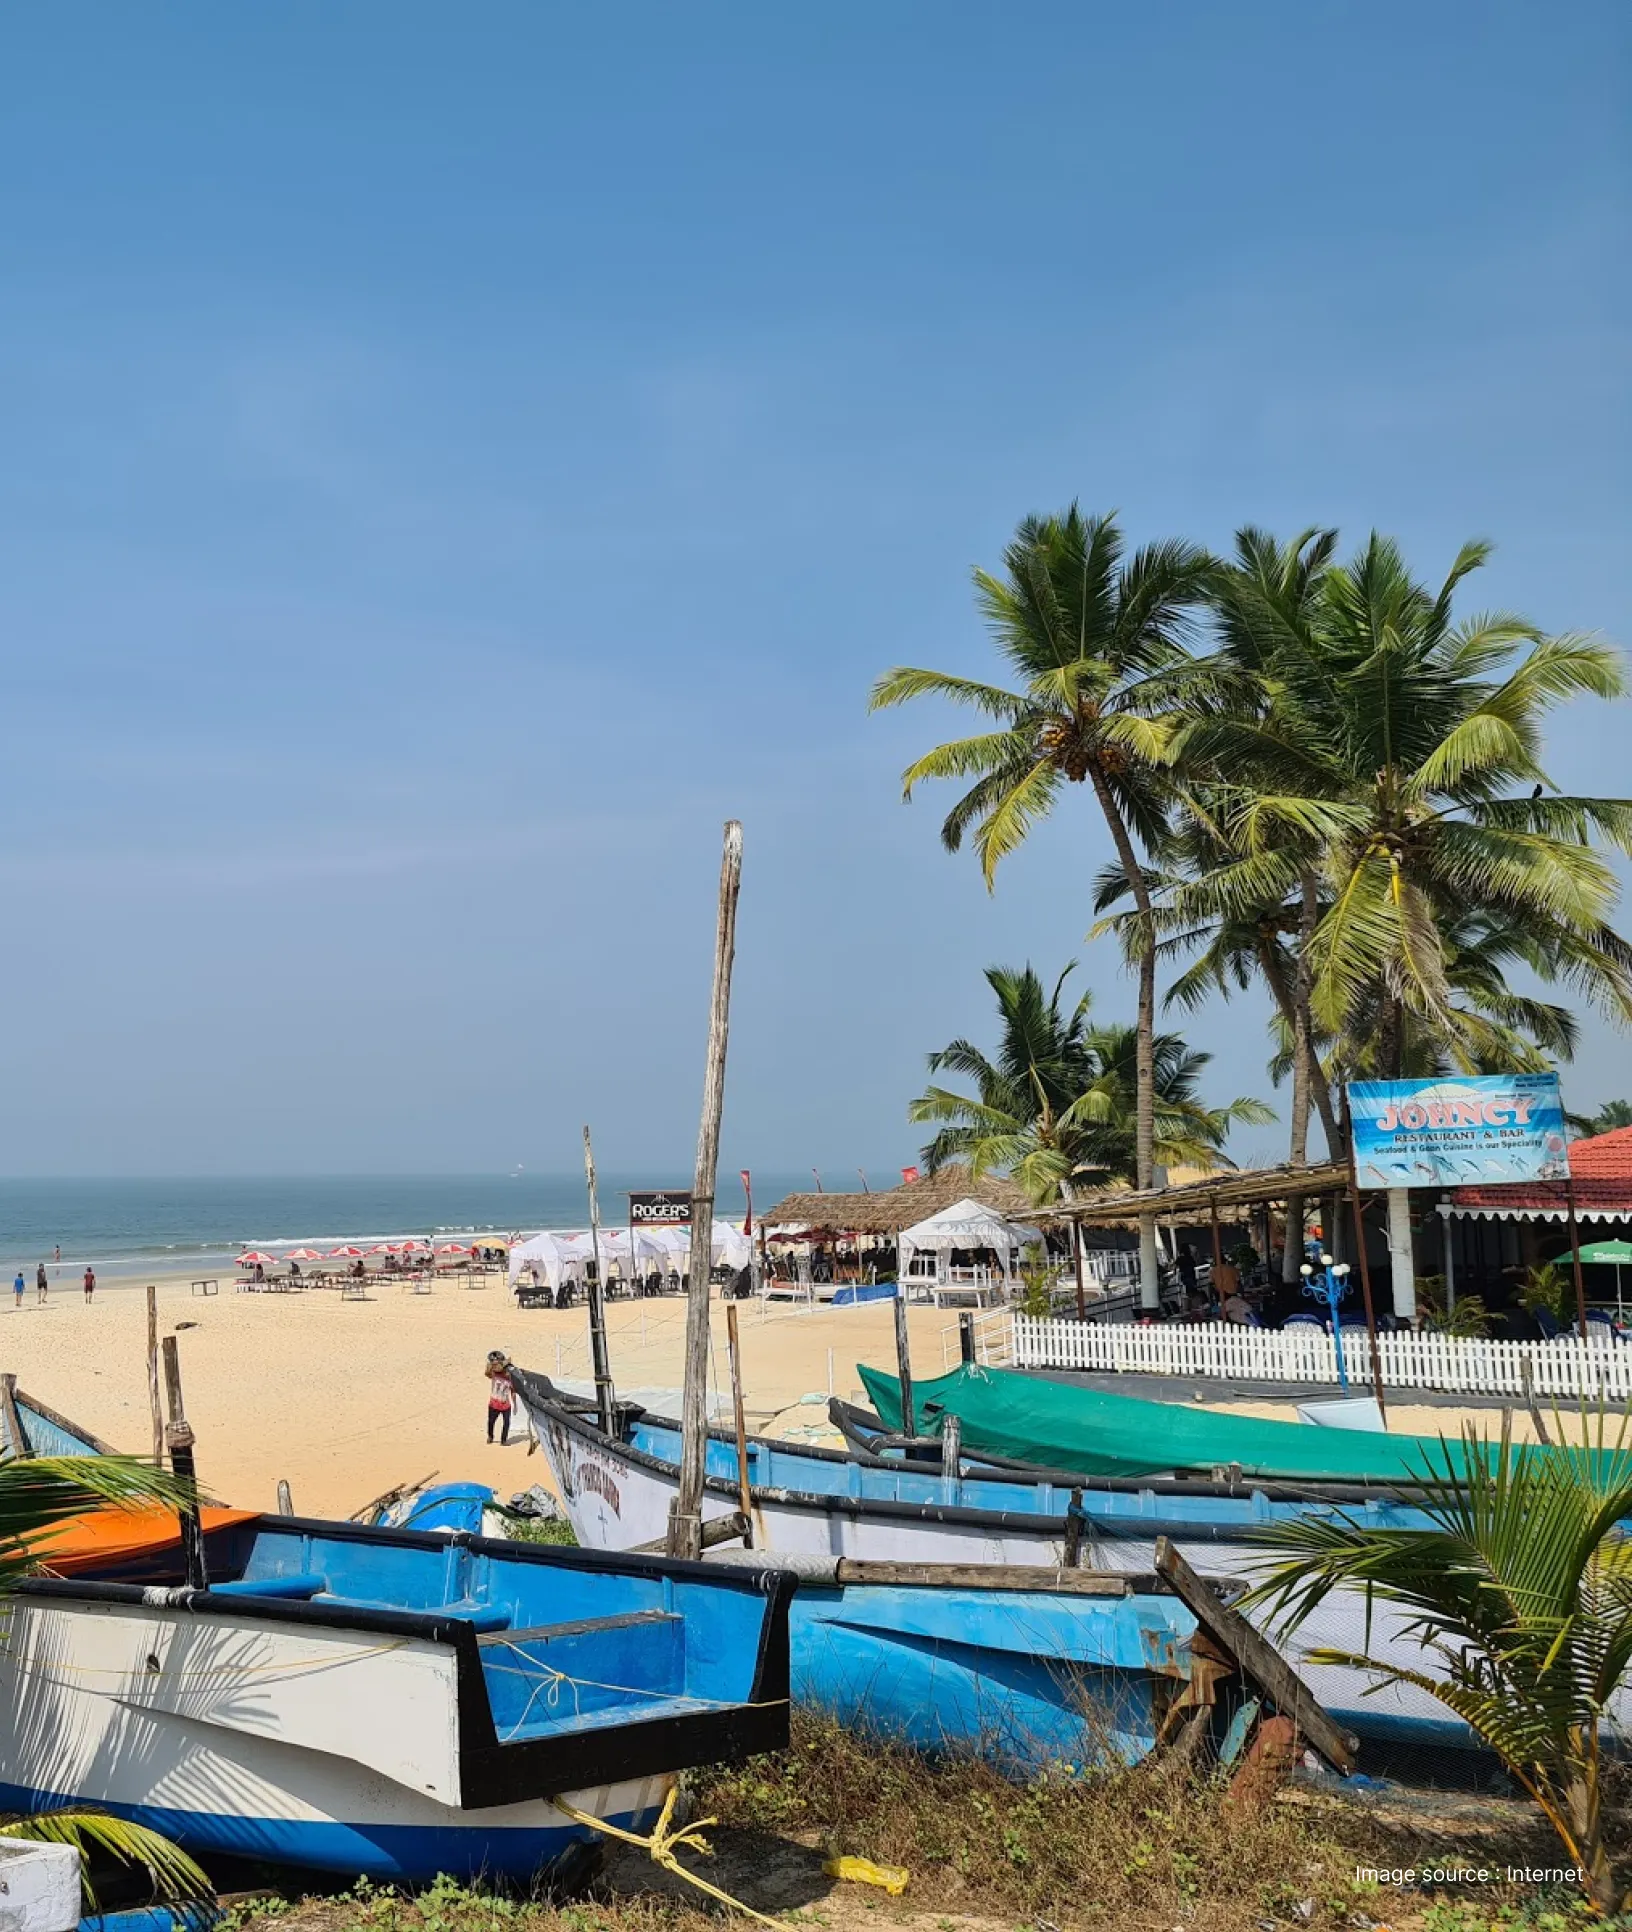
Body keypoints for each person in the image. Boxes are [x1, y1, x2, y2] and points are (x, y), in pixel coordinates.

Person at [485, 1350, 514, 1445]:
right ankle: (490, 1436)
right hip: (494, 1403)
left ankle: (503, 1440)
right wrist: (493, 1363)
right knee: (491, 1421)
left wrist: (514, 1403)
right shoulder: (494, 1374)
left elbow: (513, 1391)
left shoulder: (511, 1378)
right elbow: (487, 1372)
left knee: (507, 1423)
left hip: (506, 1404)